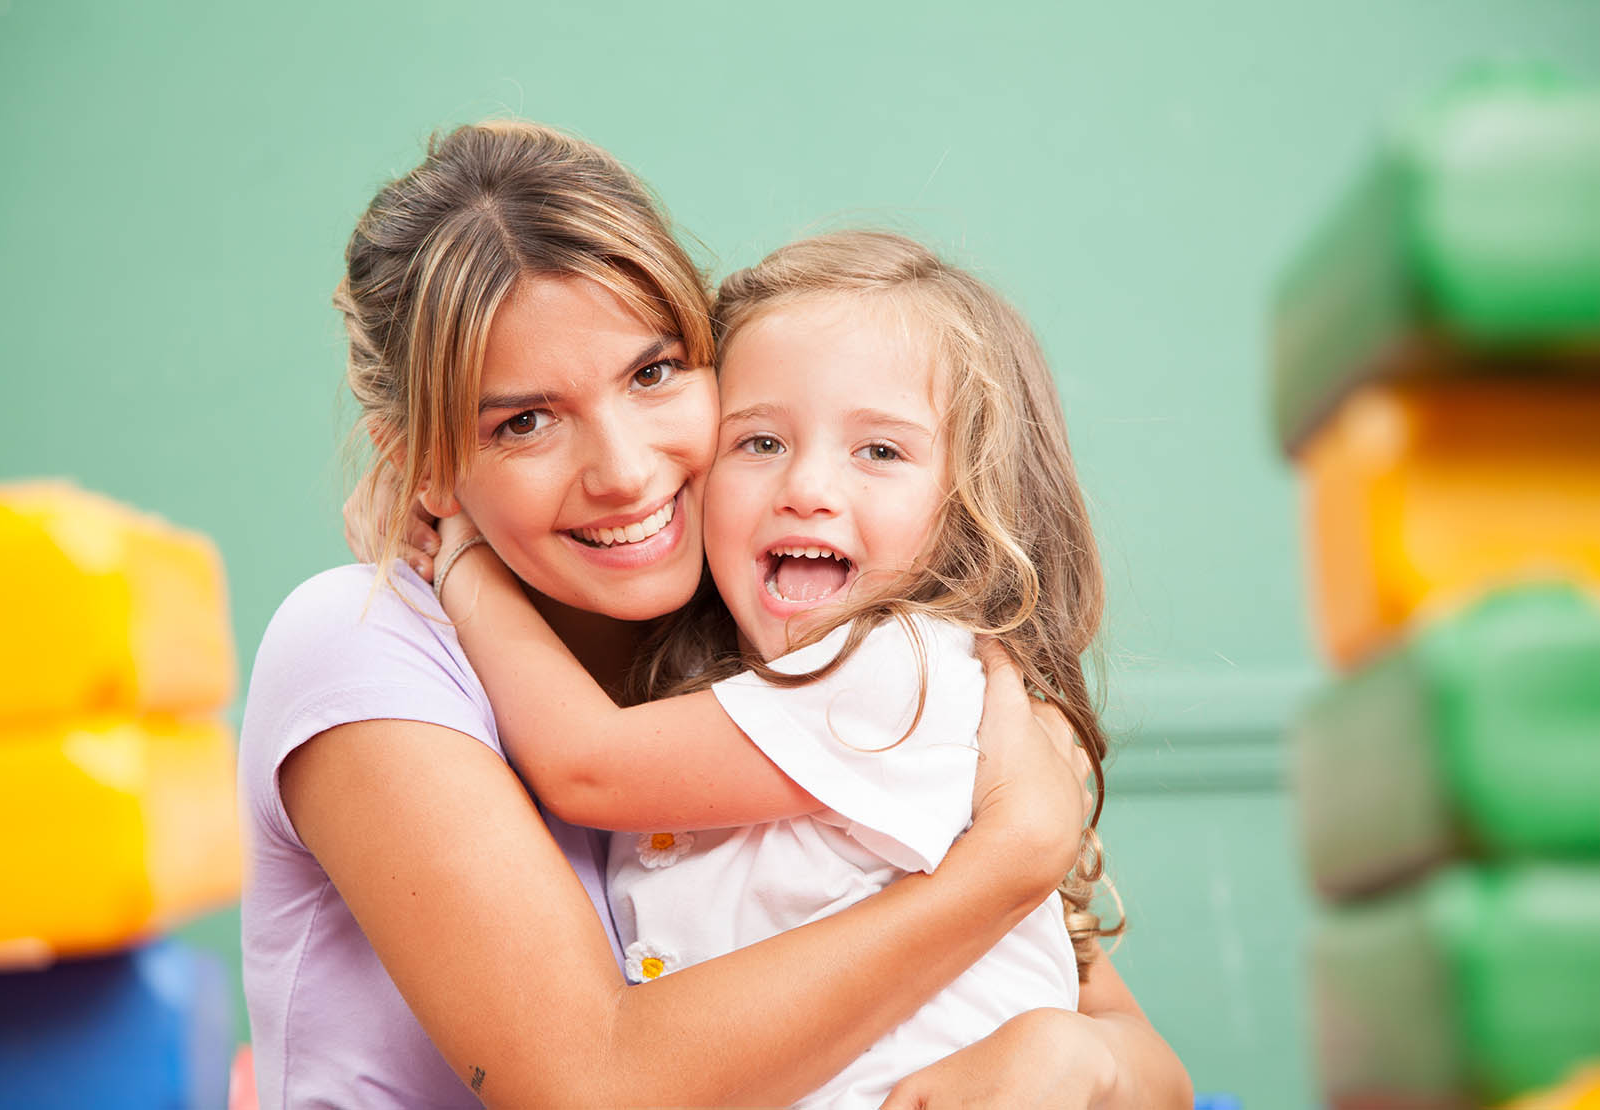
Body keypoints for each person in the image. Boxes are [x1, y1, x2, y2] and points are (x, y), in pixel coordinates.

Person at [242, 118, 1190, 1108]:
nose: (624, 471)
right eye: (524, 421)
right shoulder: (360, 646)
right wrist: (1002, 863)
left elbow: (1138, 1057)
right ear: (422, 463)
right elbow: (596, 1085)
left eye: (652, 374)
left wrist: (1069, 1057)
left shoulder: (779, 646)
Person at [426, 229, 1124, 1109]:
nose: (807, 488)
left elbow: (586, 768)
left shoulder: (901, 666)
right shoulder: (731, 693)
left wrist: (463, 559)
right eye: (758, 442)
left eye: (880, 451)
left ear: (969, 503)